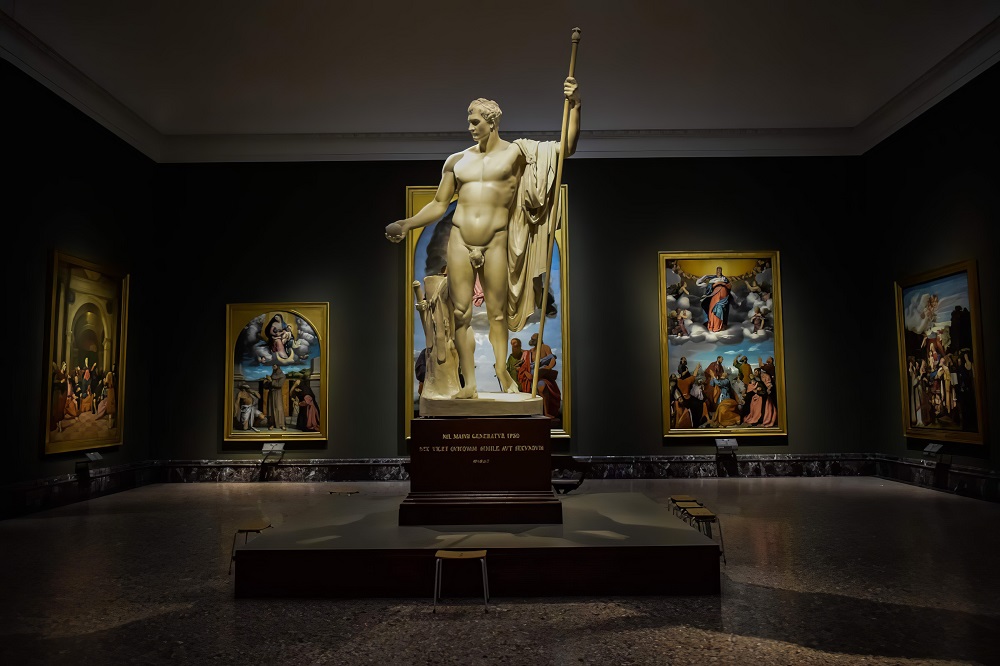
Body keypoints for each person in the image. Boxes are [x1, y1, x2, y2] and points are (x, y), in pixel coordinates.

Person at [386, 77, 581, 399]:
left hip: (496, 239)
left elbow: (566, 149)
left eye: (475, 121)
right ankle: (471, 384)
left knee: (497, 313)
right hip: (460, 239)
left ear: (492, 122)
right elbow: (439, 204)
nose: (470, 127)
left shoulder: (516, 154)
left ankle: (502, 371)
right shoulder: (456, 161)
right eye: (469, 122)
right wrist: (406, 224)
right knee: (460, 313)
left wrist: (575, 106)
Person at [696, 266, 732, 332]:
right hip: (715, 294)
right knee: (712, 308)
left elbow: (729, 286)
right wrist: (715, 284)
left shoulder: (724, 278)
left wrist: (723, 284)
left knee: (720, 309)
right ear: (716, 271)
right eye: (718, 270)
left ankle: (720, 325)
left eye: (720, 270)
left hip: (723, 295)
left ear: (721, 271)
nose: (719, 272)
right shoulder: (713, 279)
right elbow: (709, 287)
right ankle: (712, 325)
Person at [263, 364, 287, 430]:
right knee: (271, 409)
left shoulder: (282, 375)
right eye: (272, 365)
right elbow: (267, 386)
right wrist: (266, 382)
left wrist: (271, 381)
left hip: (278, 393)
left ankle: (281, 424)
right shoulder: (272, 375)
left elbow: (279, 385)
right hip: (271, 393)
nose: (273, 366)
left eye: (274, 365)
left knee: (279, 408)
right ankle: (272, 424)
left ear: (278, 366)